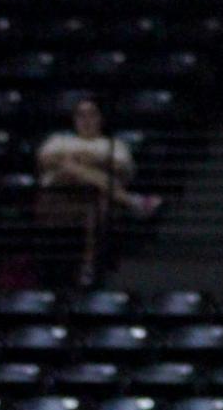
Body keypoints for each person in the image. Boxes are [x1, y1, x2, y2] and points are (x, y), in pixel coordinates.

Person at [35, 94, 160, 284]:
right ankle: (133, 201)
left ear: (100, 118)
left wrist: (74, 160)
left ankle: (88, 267)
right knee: (71, 172)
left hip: (94, 200)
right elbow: (45, 160)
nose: (86, 120)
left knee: (89, 192)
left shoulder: (113, 144)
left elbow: (121, 168)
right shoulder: (59, 140)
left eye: (91, 114)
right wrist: (94, 161)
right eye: (81, 115)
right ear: (74, 119)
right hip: (58, 199)